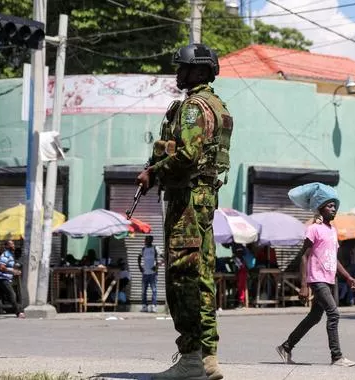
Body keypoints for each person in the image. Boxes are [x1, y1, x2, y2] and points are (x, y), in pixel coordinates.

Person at [137, 43, 232, 380]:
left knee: (182, 277)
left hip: (187, 200)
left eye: (184, 68)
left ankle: (192, 358)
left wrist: (153, 171)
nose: (178, 74)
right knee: (202, 275)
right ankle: (207, 358)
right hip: (204, 197)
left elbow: (187, 154)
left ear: (202, 71)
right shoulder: (217, 105)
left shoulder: (193, 107)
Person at [276, 184, 355, 367]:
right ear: (320, 208)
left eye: (334, 206)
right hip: (317, 279)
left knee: (314, 317)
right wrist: (304, 284)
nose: (333, 209)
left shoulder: (332, 231)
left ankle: (286, 347)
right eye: (329, 206)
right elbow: (303, 256)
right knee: (334, 313)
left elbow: (334, 259)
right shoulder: (314, 229)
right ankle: (336, 357)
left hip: (328, 280)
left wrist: (348, 277)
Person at [0, 240, 24, 318]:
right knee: (12, 294)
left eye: (13, 244)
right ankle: (18, 312)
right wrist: (13, 271)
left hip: (6, 278)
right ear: (6, 246)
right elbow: (1, 267)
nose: (13, 246)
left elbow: (8, 265)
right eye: (11, 244)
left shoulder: (10, 255)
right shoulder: (6, 255)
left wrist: (15, 270)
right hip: (3, 278)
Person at [138, 235, 160, 313]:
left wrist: (157, 266)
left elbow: (162, 257)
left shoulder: (155, 248)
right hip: (145, 273)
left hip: (153, 274)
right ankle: (144, 306)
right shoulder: (143, 249)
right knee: (144, 291)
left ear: (151, 240)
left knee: (154, 290)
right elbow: (139, 257)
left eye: (148, 240)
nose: (146, 241)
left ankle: (154, 306)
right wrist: (140, 267)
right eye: (146, 239)